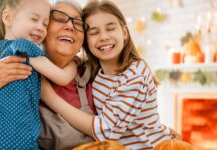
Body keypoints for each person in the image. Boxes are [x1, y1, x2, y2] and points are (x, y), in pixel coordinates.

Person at [0, 0, 95, 149]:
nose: (70, 26)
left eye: (78, 22)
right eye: (59, 18)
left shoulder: (94, 75)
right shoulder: (4, 67)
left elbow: (106, 130)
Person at [40, 1, 175, 149]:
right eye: (94, 32)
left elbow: (106, 131)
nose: (104, 37)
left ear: (124, 33)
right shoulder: (94, 71)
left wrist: (49, 97)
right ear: (86, 41)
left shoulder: (135, 75)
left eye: (110, 29)